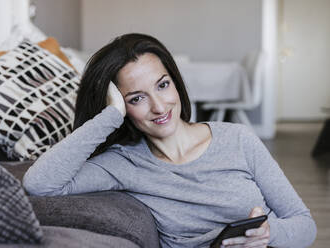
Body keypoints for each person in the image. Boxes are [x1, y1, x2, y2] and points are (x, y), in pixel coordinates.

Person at [23, 33, 316, 248]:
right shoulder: (124, 163)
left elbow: (305, 225)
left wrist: (268, 233)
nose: (160, 107)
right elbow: (40, 183)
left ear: (175, 81)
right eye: (137, 98)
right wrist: (109, 115)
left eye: (162, 86)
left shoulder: (238, 140)